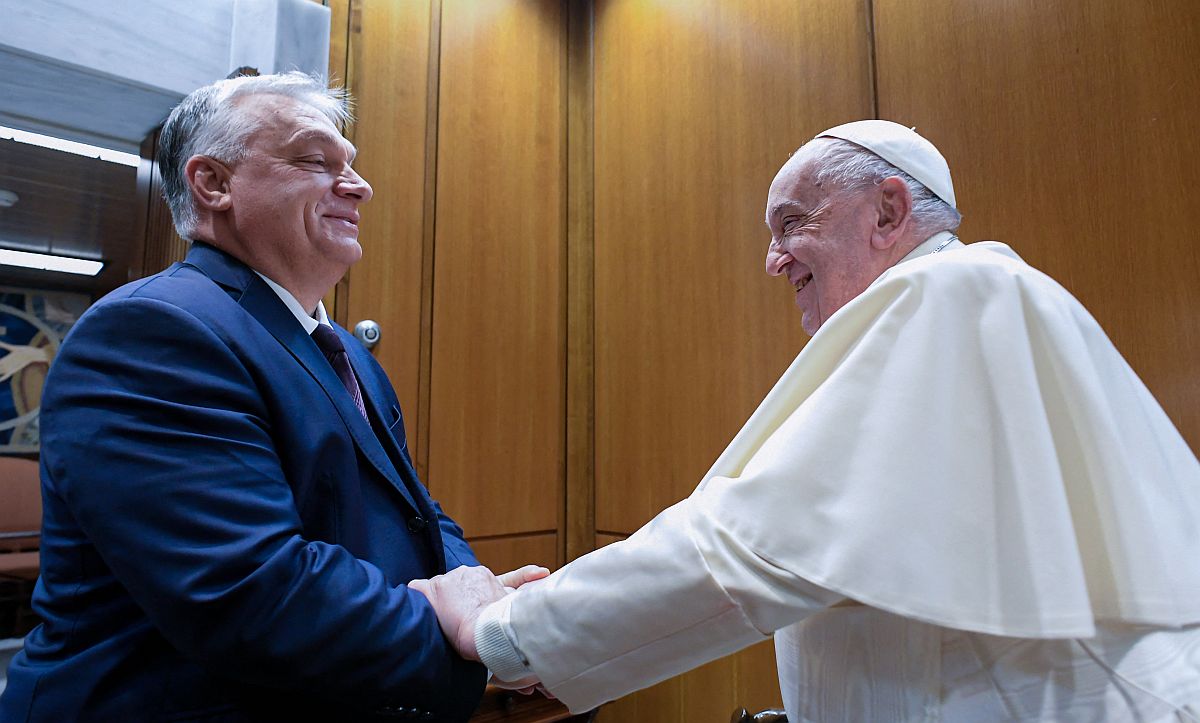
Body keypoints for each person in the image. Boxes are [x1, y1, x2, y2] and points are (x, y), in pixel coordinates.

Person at [411, 120, 1200, 721]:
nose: (774, 259)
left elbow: (748, 545)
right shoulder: (977, 297)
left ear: (888, 210)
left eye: (792, 223)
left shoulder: (950, 295)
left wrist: (501, 631)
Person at [0, 72, 544, 722]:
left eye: (351, 164)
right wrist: (478, 640)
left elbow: (419, 516)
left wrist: (484, 605)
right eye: (315, 161)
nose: (359, 186)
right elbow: (245, 589)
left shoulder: (350, 354)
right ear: (214, 183)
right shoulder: (150, 329)